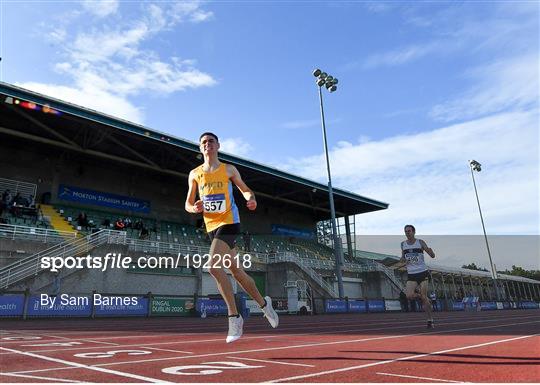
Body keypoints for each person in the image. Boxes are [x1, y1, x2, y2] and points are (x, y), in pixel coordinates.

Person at [185, 132, 278, 343]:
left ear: (218, 145)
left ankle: (234, 317)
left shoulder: (228, 169)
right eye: (203, 142)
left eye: (211, 141)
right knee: (237, 272)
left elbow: (246, 191)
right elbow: (188, 203)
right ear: (200, 148)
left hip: (230, 223)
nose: (207, 144)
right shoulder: (194, 174)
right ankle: (265, 305)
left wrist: (251, 199)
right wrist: (194, 208)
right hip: (211, 227)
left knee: (213, 267)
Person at [392, 225, 436, 328]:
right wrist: (403, 260)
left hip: (423, 272)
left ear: (414, 232)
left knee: (424, 297)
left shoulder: (420, 242)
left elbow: (432, 255)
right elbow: (402, 258)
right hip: (411, 274)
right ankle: (423, 297)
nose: (407, 233)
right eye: (406, 231)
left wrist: (430, 251)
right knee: (409, 295)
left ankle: (430, 320)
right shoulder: (403, 244)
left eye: (409, 231)